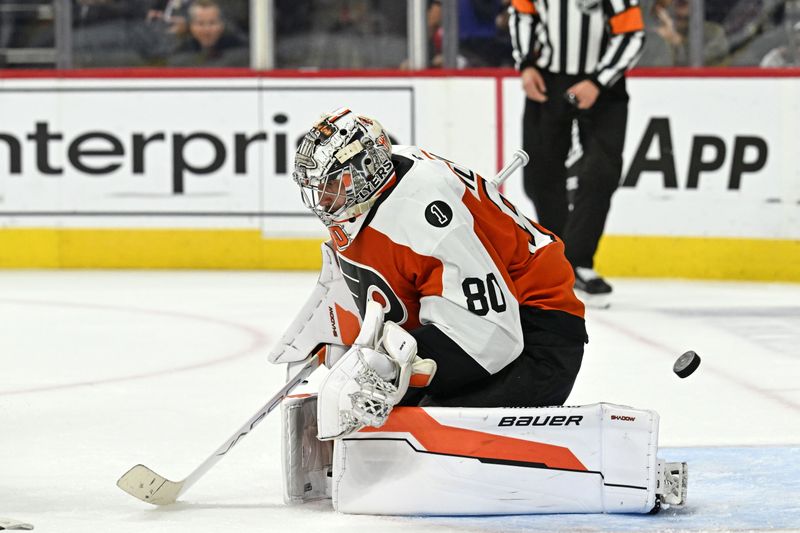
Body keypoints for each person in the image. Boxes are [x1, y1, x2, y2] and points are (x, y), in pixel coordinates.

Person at [290, 108, 587, 438]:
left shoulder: (424, 214)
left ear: (366, 170)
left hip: (539, 335)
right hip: (486, 320)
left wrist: (397, 369)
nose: (323, 200)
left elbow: (494, 337)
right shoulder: (380, 181)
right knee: (377, 409)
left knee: (409, 430)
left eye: (332, 185)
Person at [508, 0, 646, 303]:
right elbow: (522, 14)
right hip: (547, 77)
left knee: (601, 171)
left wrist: (598, 81)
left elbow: (632, 33)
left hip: (604, 85)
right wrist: (526, 65)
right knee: (539, 174)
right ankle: (562, 261)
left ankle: (578, 261)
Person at [167, 0, 247, 67]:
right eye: (200, 23)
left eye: (212, 23)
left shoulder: (240, 49)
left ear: (222, 25)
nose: (207, 30)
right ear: (191, 26)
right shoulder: (181, 51)